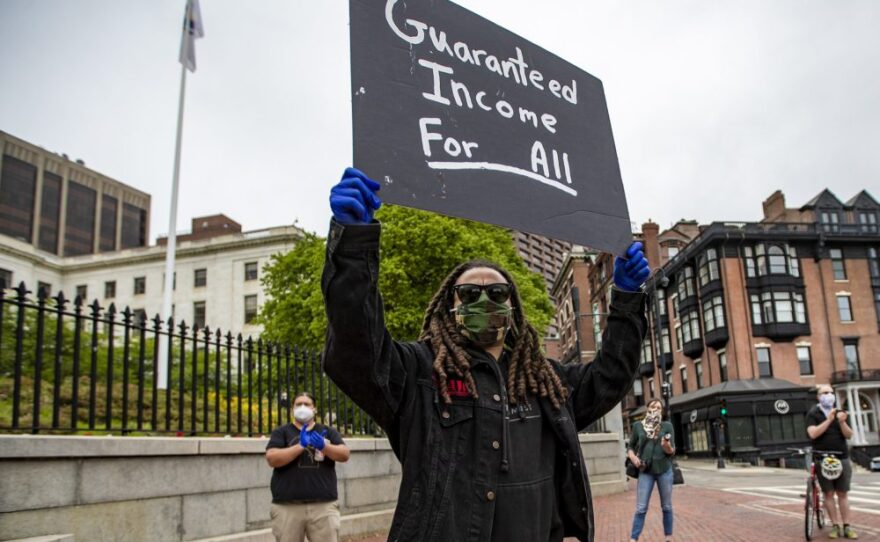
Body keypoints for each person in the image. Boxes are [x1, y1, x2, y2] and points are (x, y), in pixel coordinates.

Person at [321, 167, 649, 541]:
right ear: (450, 306)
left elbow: (612, 375)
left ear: (513, 310)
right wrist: (353, 243)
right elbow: (356, 349)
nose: (483, 301)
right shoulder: (420, 373)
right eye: (469, 294)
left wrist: (627, 298)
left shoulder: (547, 383)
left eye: (496, 294)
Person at [265, 391, 351, 542]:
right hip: (287, 507)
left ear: (315, 409)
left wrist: (324, 446)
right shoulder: (282, 432)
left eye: (307, 404)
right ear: (292, 409)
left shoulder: (328, 432)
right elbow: (272, 458)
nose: (302, 407)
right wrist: (300, 446)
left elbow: (344, 455)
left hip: (323, 507)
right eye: (298, 404)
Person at [805, 384, 857, 539]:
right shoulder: (813, 414)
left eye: (830, 392)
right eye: (824, 393)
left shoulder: (841, 413)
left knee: (842, 493)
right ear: (818, 397)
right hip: (822, 458)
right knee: (828, 493)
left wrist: (841, 422)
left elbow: (849, 435)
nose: (828, 395)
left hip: (841, 457)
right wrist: (829, 420)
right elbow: (813, 434)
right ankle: (835, 525)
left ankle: (847, 526)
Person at [627, 398, 676, 542]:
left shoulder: (667, 426)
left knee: (666, 506)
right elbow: (630, 447)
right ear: (647, 408)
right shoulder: (638, 426)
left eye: (659, 408)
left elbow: (671, 451)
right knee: (641, 507)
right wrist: (633, 458)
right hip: (645, 471)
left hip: (664, 470)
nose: (655, 409)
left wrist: (666, 445)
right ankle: (633, 539)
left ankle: (668, 537)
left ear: (662, 411)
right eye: (653, 406)